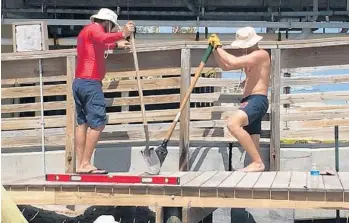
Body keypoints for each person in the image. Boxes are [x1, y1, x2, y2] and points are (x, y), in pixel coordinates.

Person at [73, 8, 135, 174]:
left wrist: (116, 44)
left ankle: (81, 164)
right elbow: (101, 38)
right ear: (107, 22)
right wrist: (122, 33)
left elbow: (100, 42)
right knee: (98, 123)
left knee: (82, 123)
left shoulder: (86, 31)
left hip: (79, 82)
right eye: (111, 26)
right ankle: (85, 163)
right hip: (90, 82)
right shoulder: (95, 29)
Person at [208, 27, 270, 172]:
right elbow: (226, 66)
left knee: (233, 124)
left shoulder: (261, 54)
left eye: (243, 46)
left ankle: (258, 163)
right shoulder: (250, 57)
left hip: (257, 99)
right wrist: (214, 50)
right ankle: (258, 167)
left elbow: (234, 61)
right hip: (249, 99)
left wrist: (218, 46)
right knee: (253, 138)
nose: (242, 49)